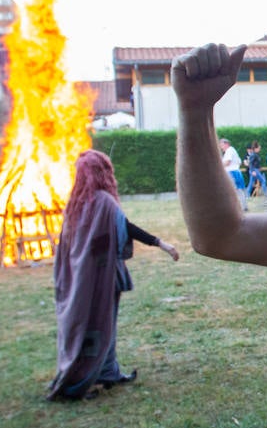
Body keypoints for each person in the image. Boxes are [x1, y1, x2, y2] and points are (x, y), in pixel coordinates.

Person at [48, 150, 179, 401]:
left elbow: (69, 248)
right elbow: (126, 229)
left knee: (99, 326)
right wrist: (161, 244)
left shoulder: (74, 203)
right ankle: (81, 381)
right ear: (102, 173)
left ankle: (107, 372)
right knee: (98, 325)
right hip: (99, 278)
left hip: (81, 279)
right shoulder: (104, 202)